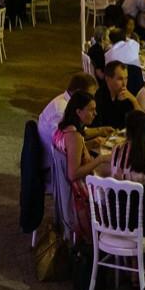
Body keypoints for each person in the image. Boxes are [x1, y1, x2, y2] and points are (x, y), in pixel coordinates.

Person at [53, 89, 111, 242]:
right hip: (80, 194)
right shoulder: (74, 136)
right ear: (78, 111)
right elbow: (73, 173)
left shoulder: (63, 129)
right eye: (91, 110)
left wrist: (90, 145)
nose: (95, 113)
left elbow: (72, 153)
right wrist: (100, 160)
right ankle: (112, 239)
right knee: (118, 189)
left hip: (66, 190)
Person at [38, 73, 97, 169]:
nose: (92, 100)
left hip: (59, 157)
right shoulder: (61, 111)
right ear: (79, 93)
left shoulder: (66, 102)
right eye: (90, 95)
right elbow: (62, 148)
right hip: (53, 165)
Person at [96, 60, 140, 129]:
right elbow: (108, 126)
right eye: (120, 79)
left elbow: (141, 121)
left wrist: (134, 101)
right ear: (108, 79)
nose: (124, 84)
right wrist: (118, 104)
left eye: (126, 78)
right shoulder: (99, 98)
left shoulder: (125, 93)